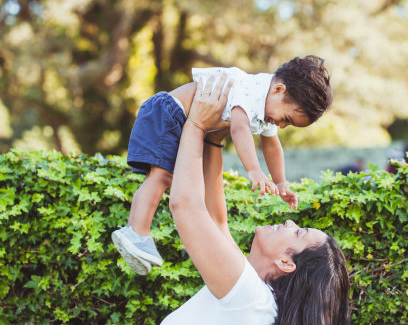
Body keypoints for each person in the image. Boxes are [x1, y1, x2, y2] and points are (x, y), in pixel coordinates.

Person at [152, 74, 353, 325]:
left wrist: (195, 125)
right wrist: (213, 140)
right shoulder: (255, 299)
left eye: (297, 233)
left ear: (287, 263)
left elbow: (186, 206)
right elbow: (216, 221)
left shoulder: (251, 301)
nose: (289, 222)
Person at [112, 56, 333, 274]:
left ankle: (135, 232)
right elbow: (239, 130)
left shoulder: (267, 105)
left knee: (164, 178)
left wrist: (281, 182)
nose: (282, 126)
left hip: (178, 119)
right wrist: (254, 170)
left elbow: (272, 145)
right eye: (286, 118)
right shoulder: (251, 91)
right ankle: (136, 232)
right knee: (161, 177)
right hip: (168, 112)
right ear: (278, 90)